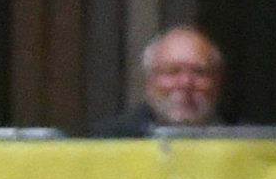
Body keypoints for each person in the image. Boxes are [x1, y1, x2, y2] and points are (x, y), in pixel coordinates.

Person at [93, 27, 225, 136]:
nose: (186, 83)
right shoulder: (110, 140)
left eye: (199, 72)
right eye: (172, 72)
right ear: (149, 80)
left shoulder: (240, 139)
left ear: (217, 80)